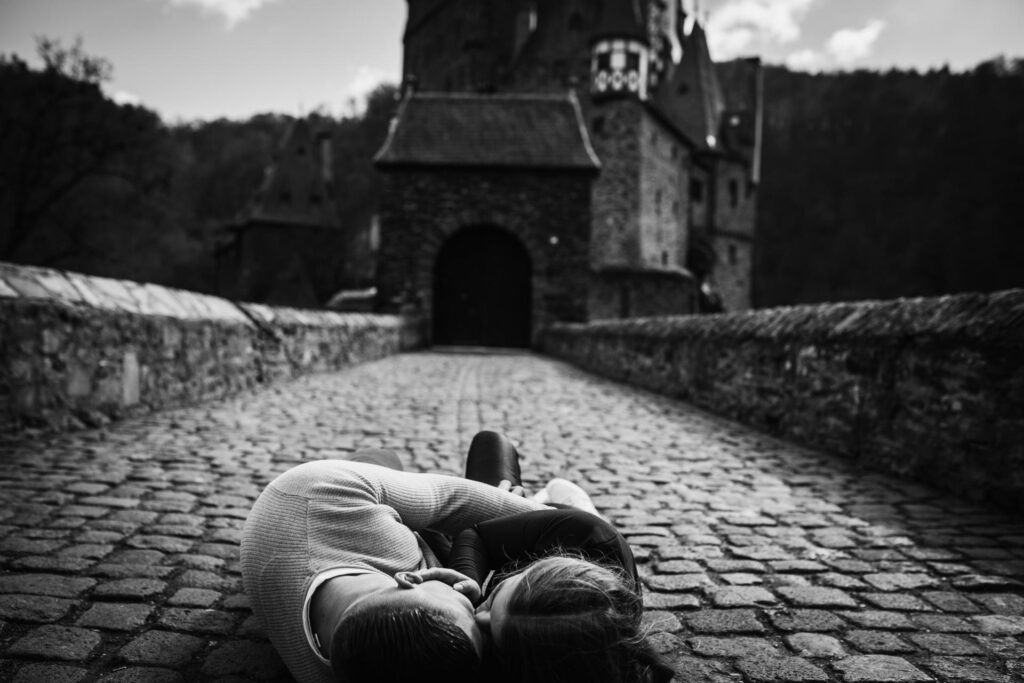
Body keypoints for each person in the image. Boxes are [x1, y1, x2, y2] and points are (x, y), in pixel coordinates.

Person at [239, 441, 548, 683]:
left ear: (410, 580)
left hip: (310, 500)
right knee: (491, 449)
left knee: (380, 456)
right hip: (428, 539)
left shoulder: (325, 491)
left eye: (467, 605)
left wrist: (528, 511)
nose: (480, 609)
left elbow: (454, 499)